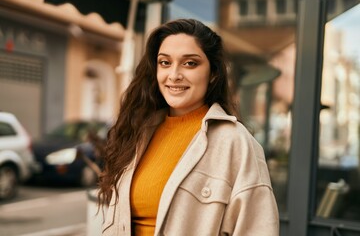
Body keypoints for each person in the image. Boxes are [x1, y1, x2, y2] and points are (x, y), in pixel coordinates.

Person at [99, 18, 279, 236]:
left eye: (190, 63)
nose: (174, 75)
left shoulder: (236, 143)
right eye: (165, 63)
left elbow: (257, 230)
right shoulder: (137, 133)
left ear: (213, 74)